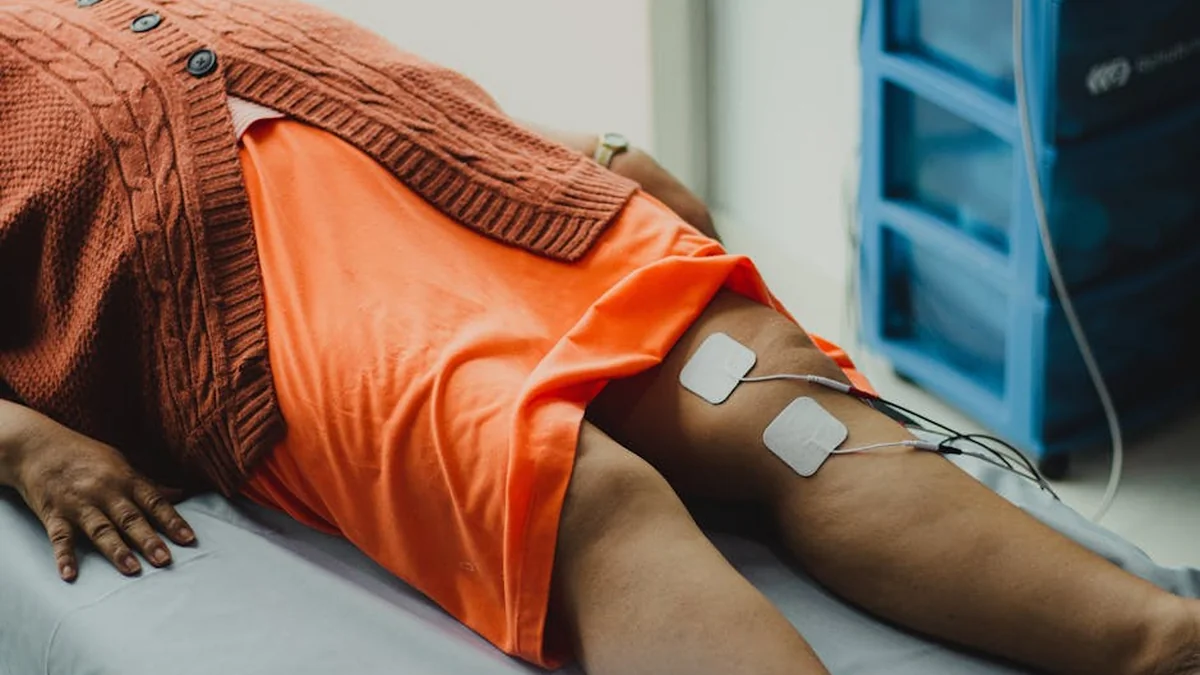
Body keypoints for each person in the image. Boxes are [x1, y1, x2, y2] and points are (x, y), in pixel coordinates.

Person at [0, 2, 1196, 673]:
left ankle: (1162, 646)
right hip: (238, 280)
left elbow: (294, 71)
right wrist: (24, 444)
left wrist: (584, 148)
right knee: (573, 489)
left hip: (477, 175)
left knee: (782, 409)